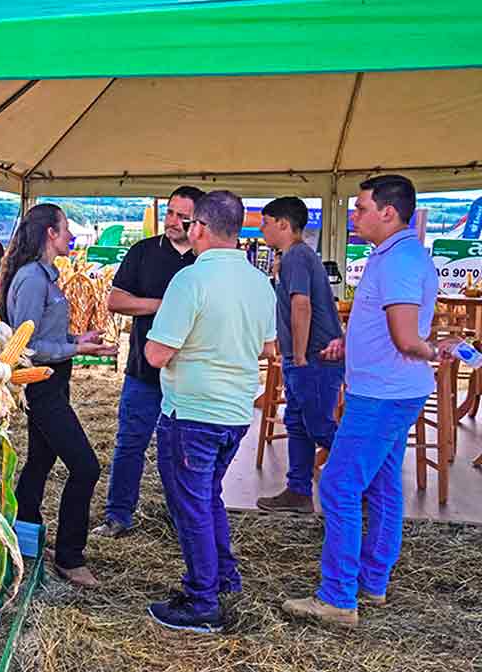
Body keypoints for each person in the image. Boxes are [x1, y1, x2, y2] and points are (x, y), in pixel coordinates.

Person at [283, 175, 457, 627]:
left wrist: (433, 350)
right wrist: (352, 345)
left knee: (339, 485)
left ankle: (338, 596)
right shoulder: (398, 254)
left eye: (360, 208)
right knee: (382, 486)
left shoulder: (398, 261)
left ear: (388, 212)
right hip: (391, 389)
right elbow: (392, 327)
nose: (354, 215)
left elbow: (404, 336)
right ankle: (372, 582)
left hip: (381, 394)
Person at [143, 190, 276, 633]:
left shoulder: (190, 281)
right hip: (236, 411)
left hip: (192, 411)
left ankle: (202, 602)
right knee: (207, 497)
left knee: (191, 506)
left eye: (190, 225)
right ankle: (223, 577)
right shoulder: (259, 282)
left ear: (199, 227)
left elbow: (157, 354)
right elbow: (268, 346)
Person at [1, 203, 118, 588]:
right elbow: (28, 346)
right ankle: (70, 556)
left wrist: (75, 339)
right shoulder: (34, 279)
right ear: (50, 234)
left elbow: (42, 336)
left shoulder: (44, 276)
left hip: (53, 381)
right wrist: (78, 350)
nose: (71, 236)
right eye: (66, 229)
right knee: (86, 467)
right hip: (43, 385)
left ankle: (26, 538)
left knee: (39, 461)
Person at [93, 186, 203, 538]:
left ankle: (182, 516)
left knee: (183, 452)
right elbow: (115, 300)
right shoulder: (143, 252)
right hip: (144, 370)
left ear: (198, 221)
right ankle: (118, 515)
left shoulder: (207, 259)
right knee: (130, 443)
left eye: (181, 217)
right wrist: (163, 306)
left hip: (189, 374)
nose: (172, 221)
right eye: (169, 212)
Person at [256, 197, 344, 513]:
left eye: (265, 222)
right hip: (308, 355)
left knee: (318, 424)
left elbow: (301, 305)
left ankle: (370, 481)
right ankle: (298, 490)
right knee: (297, 422)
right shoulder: (297, 256)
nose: (261, 228)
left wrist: (301, 354)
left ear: (283, 223)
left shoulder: (295, 257)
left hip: (314, 357)